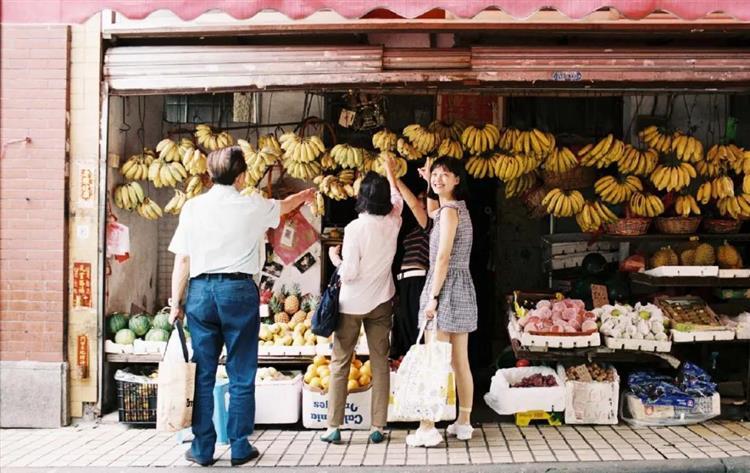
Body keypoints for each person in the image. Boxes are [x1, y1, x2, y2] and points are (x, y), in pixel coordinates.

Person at [167, 146, 314, 467]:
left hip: (202, 292)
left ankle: (203, 448)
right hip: (238, 292)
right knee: (241, 372)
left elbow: (183, 259)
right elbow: (285, 205)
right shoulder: (253, 205)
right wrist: (305, 196)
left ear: (209, 175)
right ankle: (239, 446)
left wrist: (175, 302)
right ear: (242, 175)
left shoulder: (192, 207)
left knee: (203, 373)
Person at [321, 155, 403, 445]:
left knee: (341, 362)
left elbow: (351, 272)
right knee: (380, 362)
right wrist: (391, 172)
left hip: (351, 305)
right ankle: (378, 426)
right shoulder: (394, 220)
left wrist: (335, 258)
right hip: (382, 301)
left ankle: (333, 426)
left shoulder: (356, 228)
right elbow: (397, 198)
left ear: (360, 199)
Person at [398, 156, 478, 447]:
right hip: (462, 288)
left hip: (444, 287)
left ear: (458, 179)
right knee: (460, 362)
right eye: (436, 175)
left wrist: (433, 297)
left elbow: (442, 257)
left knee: (434, 361)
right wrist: (426, 182)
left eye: (446, 174)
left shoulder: (448, 213)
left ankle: (428, 428)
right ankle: (464, 422)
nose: (439, 178)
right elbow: (433, 211)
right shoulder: (456, 208)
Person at [391, 188, 430, 358]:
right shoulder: (413, 229)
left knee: (416, 327)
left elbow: (415, 205)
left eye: (423, 199)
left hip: (419, 281)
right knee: (404, 325)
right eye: (419, 198)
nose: (419, 202)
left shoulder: (431, 225)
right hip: (404, 282)